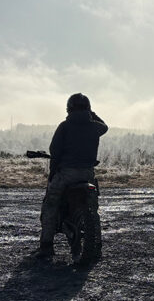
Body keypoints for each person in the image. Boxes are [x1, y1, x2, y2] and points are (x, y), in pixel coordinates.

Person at [30, 93, 108, 259]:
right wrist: (92, 114)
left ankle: (46, 245)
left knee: (50, 204)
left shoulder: (64, 126)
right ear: (88, 108)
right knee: (92, 207)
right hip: (87, 173)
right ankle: (98, 243)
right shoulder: (95, 127)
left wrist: (52, 173)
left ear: (69, 108)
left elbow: (55, 151)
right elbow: (105, 126)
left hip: (67, 173)